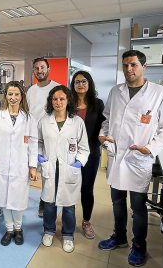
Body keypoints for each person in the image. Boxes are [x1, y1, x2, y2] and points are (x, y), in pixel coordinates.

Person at [98, 50, 163, 267]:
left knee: (138, 206)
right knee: (116, 201)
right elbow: (107, 118)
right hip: (117, 155)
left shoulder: (159, 92)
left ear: (144, 66)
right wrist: (103, 136)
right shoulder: (116, 92)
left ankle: (139, 245)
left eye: (133, 64)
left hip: (138, 157)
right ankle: (119, 236)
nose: (129, 69)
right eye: (125, 65)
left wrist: (151, 148)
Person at [0, 81, 38, 246]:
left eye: (16, 94)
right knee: (4, 199)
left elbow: (33, 144)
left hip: (21, 166)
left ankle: (18, 228)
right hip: (1, 165)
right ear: (5, 96)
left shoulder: (29, 119)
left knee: (19, 200)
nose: (13, 97)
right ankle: (9, 229)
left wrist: (32, 167)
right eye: (10, 94)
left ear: (21, 96)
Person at [38, 85, 90, 253]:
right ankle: (48, 231)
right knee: (49, 204)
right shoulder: (44, 121)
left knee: (69, 206)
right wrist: (40, 157)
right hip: (50, 167)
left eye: (62, 99)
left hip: (69, 168)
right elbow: (38, 143)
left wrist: (78, 163)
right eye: (54, 99)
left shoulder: (77, 122)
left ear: (68, 101)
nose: (58, 102)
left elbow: (84, 148)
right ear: (50, 101)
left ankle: (68, 235)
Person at [70, 71, 105, 239]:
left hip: (90, 154)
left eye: (84, 81)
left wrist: (97, 143)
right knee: (67, 187)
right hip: (68, 153)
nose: (81, 84)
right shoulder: (68, 103)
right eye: (77, 82)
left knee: (86, 189)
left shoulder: (97, 104)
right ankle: (68, 220)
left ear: (89, 84)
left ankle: (86, 221)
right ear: (73, 84)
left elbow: (103, 127)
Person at [27, 57, 60, 217]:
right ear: (33, 71)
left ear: (48, 70)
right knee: (29, 167)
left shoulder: (57, 89)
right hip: (32, 136)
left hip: (49, 136)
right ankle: (21, 198)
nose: (39, 71)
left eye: (42, 68)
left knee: (48, 172)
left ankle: (45, 202)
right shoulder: (31, 91)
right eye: (36, 68)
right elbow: (26, 113)